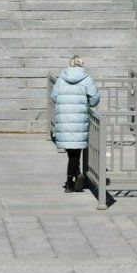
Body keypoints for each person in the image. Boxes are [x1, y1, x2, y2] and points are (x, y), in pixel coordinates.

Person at [51, 56, 100, 193]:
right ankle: (70, 181)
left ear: (70, 64)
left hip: (64, 118)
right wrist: (86, 104)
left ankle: (74, 176)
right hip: (79, 119)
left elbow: (53, 97)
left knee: (71, 151)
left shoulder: (61, 78)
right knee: (75, 152)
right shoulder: (86, 79)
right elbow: (95, 99)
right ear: (82, 64)